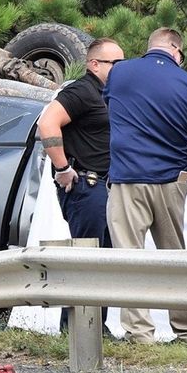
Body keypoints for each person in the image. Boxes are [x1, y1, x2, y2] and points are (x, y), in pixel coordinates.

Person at [103, 27, 187, 344]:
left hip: (127, 179)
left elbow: (111, 110)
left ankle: (139, 333)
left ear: (150, 47)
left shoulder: (119, 72)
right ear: (176, 51)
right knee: (174, 256)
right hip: (172, 181)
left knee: (129, 257)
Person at [37, 37, 124, 331]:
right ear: (94, 64)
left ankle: (95, 327)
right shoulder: (82, 90)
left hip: (107, 187)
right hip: (87, 185)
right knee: (88, 256)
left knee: (104, 259)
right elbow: (47, 123)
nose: (122, 69)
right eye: (116, 63)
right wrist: (62, 168)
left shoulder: (108, 94)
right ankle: (77, 329)